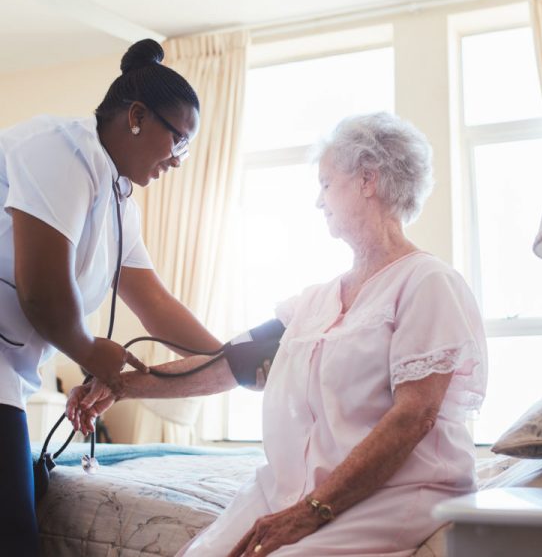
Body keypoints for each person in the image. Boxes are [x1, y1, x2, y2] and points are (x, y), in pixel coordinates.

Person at [68, 112, 487, 556]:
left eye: (326, 183)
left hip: (395, 492)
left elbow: (414, 416)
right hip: (295, 488)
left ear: (368, 180)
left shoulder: (427, 281)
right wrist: (121, 386)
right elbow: (230, 364)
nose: (318, 201)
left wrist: (312, 510)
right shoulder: (315, 301)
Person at [0, 38, 239, 557]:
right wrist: (90, 354)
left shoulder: (118, 199)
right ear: (136, 116)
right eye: (179, 140)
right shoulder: (59, 149)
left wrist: (229, 359)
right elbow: (41, 292)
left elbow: (154, 302)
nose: (179, 160)